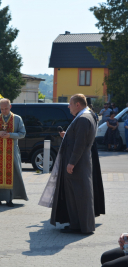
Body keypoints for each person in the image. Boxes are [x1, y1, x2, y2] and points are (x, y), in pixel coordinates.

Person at [39, 94, 97, 234]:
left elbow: (80, 144)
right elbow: (78, 138)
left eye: (70, 104)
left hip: (77, 164)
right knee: (77, 195)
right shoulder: (86, 116)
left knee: (80, 195)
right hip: (79, 163)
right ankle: (77, 224)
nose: (68, 106)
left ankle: (83, 227)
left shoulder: (83, 118)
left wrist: (71, 163)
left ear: (78, 105)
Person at [0, 98, 27, 207]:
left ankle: (9, 199)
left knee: (12, 174)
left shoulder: (17, 118)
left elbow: (22, 134)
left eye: (6, 109)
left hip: (11, 152)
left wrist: (10, 135)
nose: (4, 111)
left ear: (10, 107)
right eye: (2, 109)